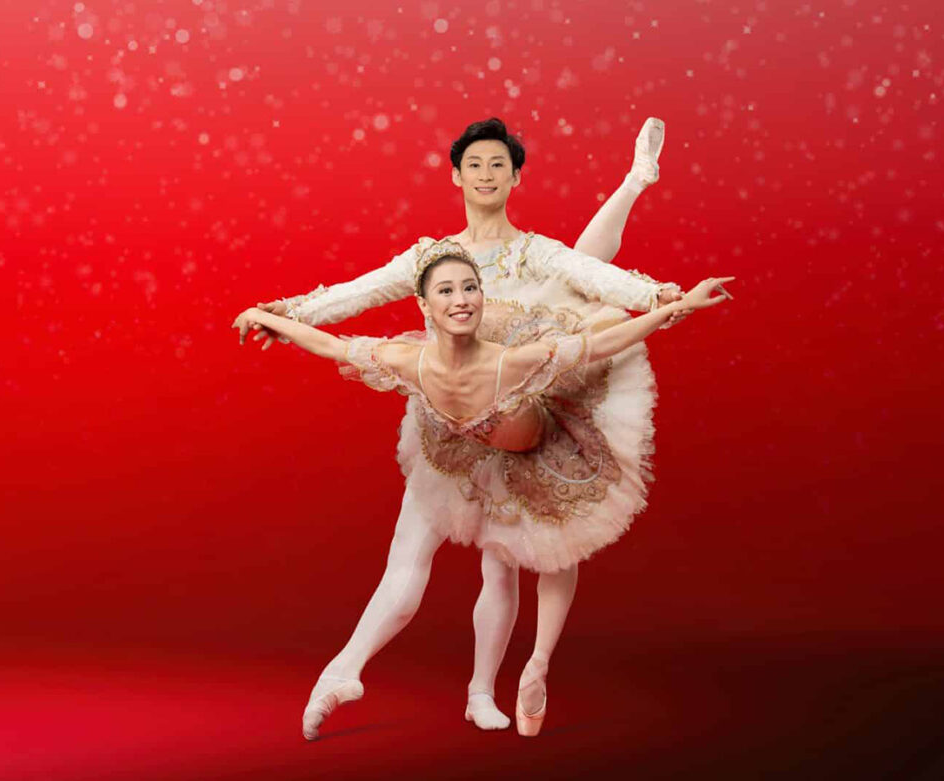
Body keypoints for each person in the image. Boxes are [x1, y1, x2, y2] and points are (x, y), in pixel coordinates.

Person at [238, 117, 685, 739]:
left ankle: (481, 691)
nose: (485, 174)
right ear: (456, 175)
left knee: (501, 565)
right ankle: (341, 672)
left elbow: (598, 278)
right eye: (474, 164)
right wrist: (282, 313)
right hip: (449, 416)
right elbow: (353, 296)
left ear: (515, 176)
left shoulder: (539, 252)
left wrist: (660, 296)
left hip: (519, 401)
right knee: (407, 557)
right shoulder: (429, 259)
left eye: (497, 164)